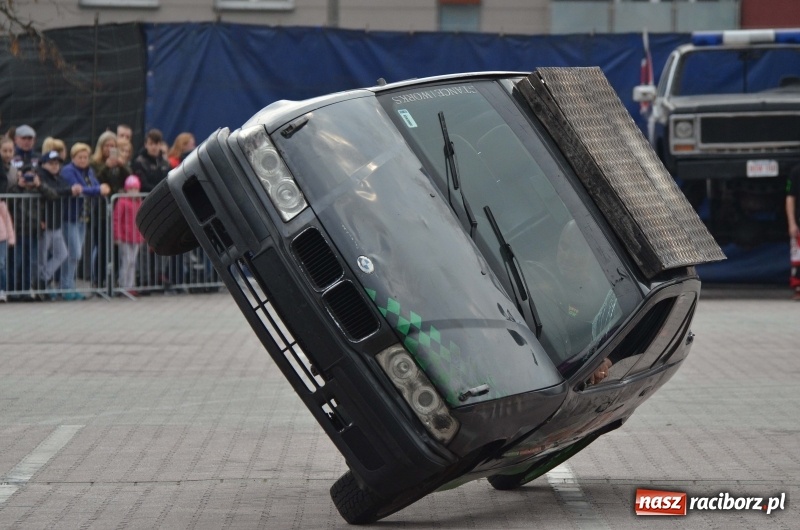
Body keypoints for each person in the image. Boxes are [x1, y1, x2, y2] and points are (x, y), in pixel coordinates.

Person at [61, 142, 111, 300]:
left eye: (85, 157)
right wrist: (98, 190)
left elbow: (94, 186)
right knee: (73, 252)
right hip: (70, 217)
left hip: (84, 218)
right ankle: (65, 286)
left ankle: (70, 285)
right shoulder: (68, 171)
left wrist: (97, 189)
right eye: (80, 157)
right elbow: (81, 189)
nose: (83, 160)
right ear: (73, 157)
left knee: (77, 253)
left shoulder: (89, 171)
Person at [35, 150, 81, 296]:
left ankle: (44, 278)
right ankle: (40, 284)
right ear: (43, 164)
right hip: (44, 223)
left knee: (62, 253)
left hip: (56, 224)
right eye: (51, 163)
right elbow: (52, 192)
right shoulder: (41, 176)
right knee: (41, 257)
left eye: (57, 163)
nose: (55, 166)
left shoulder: (59, 178)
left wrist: (72, 189)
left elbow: (63, 188)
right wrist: (69, 191)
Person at [114, 175, 145, 296]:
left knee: (133, 262)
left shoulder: (139, 202)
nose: (133, 191)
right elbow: (116, 219)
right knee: (126, 261)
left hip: (136, 237)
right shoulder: (121, 201)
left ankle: (131, 285)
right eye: (131, 189)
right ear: (126, 189)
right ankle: (123, 284)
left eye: (135, 189)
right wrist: (117, 236)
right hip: (124, 237)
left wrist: (142, 236)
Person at [787, 164, 800, 300]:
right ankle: (798, 288)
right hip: (799, 223)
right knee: (798, 259)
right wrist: (792, 223)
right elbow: (790, 198)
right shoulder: (796, 172)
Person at [0, 190, 14, 302]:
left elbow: (7, 221)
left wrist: (11, 238)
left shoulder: (1, 204)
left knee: (1, 264)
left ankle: (2, 290)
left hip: (2, 238)